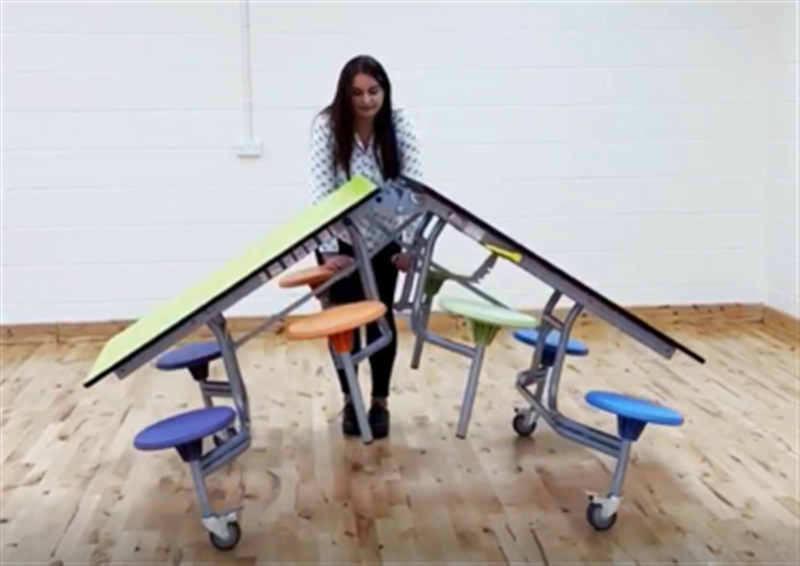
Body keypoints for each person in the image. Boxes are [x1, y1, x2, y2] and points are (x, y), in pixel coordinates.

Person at [307, 54, 423, 439]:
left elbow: (416, 187)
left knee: (380, 321)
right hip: (341, 240)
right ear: (345, 94)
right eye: (357, 93)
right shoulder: (326, 127)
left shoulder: (400, 124)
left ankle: (379, 402)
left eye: (374, 91)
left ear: (384, 91)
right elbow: (320, 193)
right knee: (342, 326)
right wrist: (327, 250)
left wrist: (409, 245)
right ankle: (350, 400)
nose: (367, 100)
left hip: (387, 241)